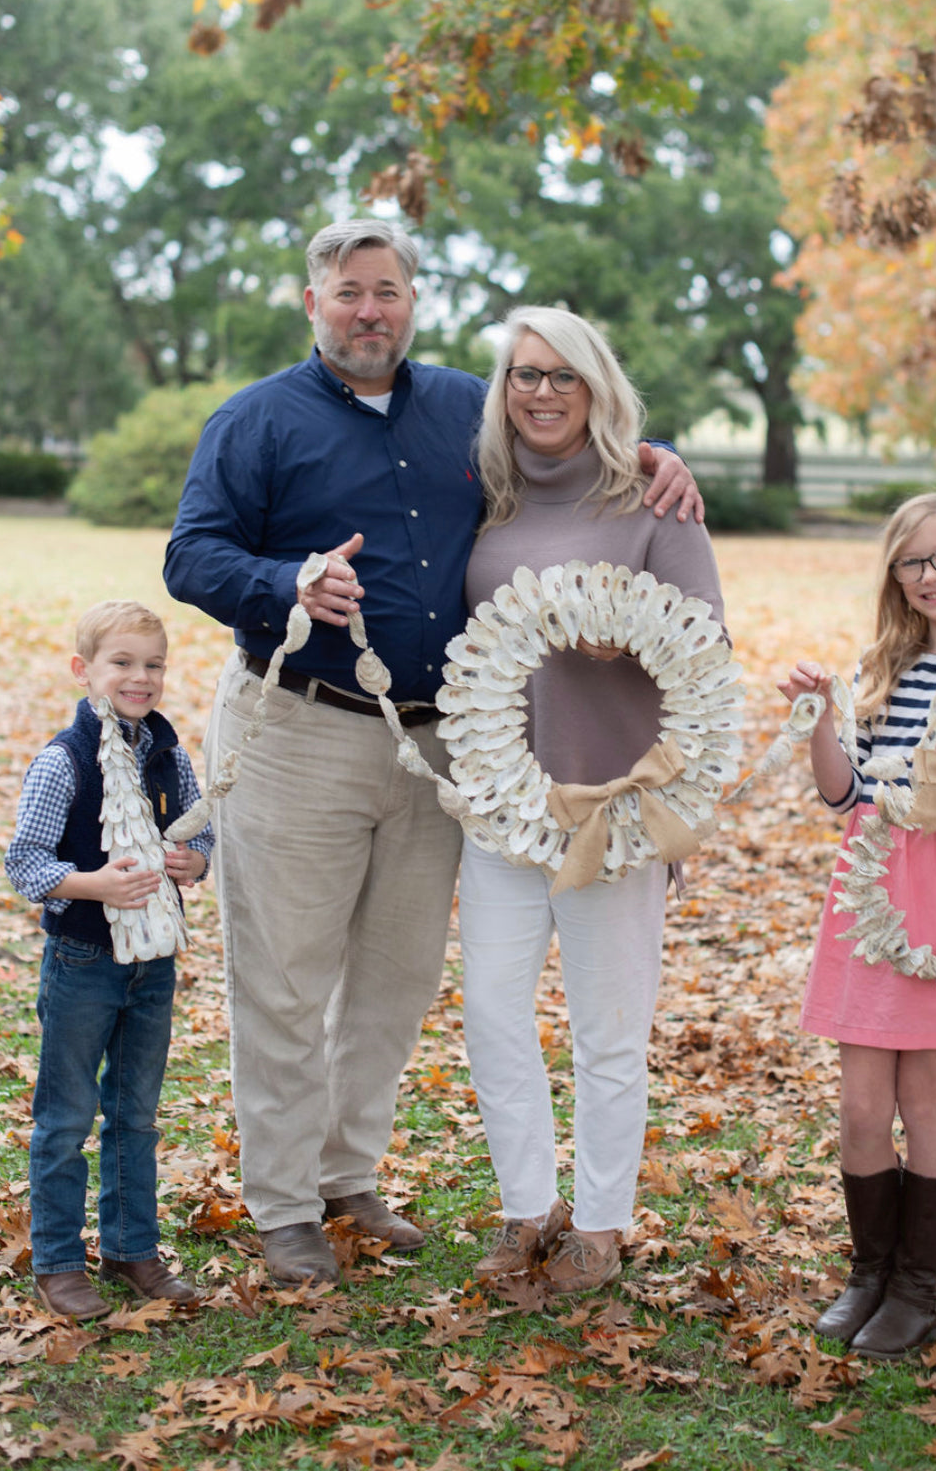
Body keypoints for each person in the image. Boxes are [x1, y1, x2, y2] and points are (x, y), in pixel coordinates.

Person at [163, 218, 702, 1289]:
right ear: (312, 301)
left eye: (389, 290)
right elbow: (192, 552)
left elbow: (565, 444)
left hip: (443, 745)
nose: (370, 310)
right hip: (301, 729)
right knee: (283, 974)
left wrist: (652, 456)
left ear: (414, 298)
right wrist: (287, 584)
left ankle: (347, 1170)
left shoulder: (470, 406)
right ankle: (281, 1206)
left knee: (397, 977)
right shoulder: (257, 420)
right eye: (349, 291)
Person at [458, 306, 728, 1295]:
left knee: (608, 1029)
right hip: (503, 802)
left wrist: (641, 646)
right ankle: (530, 1209)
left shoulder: (653, 501)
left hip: (613, 802)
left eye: (562, 375)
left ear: (597, 386)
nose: (540, 392)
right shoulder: (485, 494)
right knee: (491, 1009)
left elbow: (709, 651)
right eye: (523, 374)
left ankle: (604, 1225)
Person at [778, 489, 936, 1359]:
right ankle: (869, 1272)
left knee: (924, 1100)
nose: (932, 574)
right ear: (895, 574)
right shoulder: (880, 666)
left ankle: (917, 1290)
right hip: (869, 883)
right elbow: (845, 792)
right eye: (912, 561)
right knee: (858, 1106)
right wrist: (820, 715)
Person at [5, 601, 214, 1321]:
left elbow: (202, 833)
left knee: (136, 1113)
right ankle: (60, 1262)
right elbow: (26, 860)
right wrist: (95, 885)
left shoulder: (169, 754)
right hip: (84, 958)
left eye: (152, 664)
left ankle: (132, 1247)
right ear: (84, 671)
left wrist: (194, 861)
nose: (140, 677)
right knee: (66, 1117)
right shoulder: (63, 761)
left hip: (153, 960)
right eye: (122, 662)